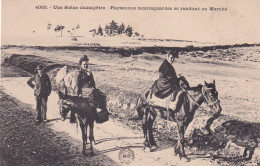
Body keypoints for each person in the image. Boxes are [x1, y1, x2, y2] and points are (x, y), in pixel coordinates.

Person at [70, 55, 96, 123]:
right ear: (81, 65)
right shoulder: (78, 73)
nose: (85, 66)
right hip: (81, 90)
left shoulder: (89, 72)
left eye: (87, 64)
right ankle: (74, 118)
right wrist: (79, 94)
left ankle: (96, 115)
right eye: (84, 64)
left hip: (89, 90)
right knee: (75, 103)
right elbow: (77, 84)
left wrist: (93, 87)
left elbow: (93, 82)